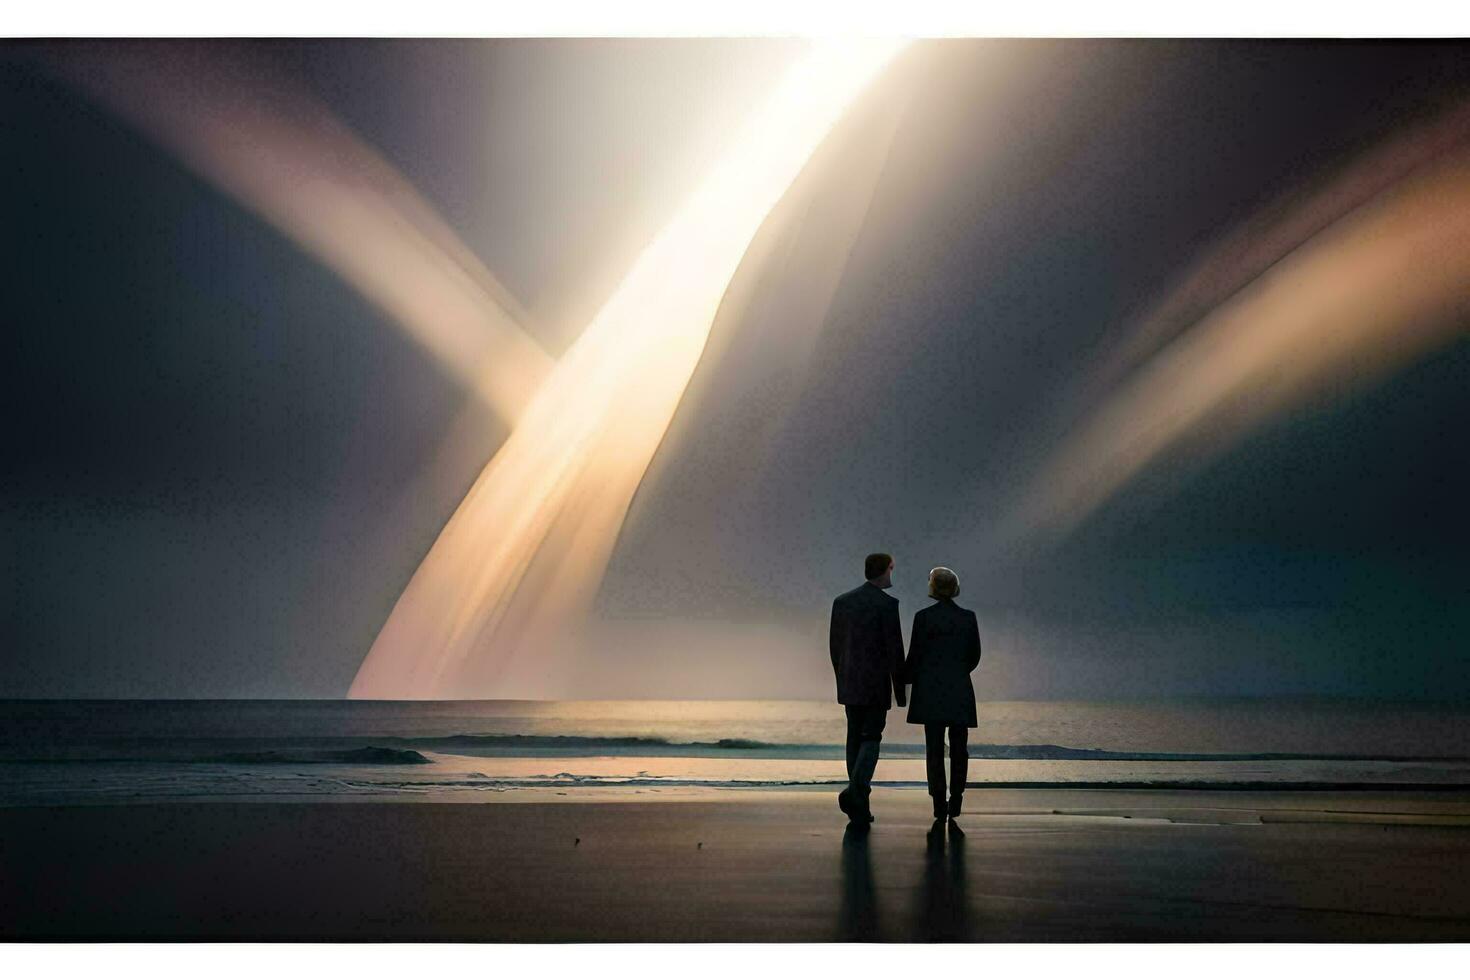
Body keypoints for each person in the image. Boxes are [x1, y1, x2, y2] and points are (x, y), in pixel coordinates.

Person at [829, 552, 906, 825]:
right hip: (874, 683)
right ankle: (854, 793)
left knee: (854, 739)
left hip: (849, 681)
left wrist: (841, 677)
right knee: (872, 737)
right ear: (886, 570)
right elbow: (895, 650)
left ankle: (859, 805)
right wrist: (901, 690)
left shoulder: (842, 602)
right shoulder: (887, 605)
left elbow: (835, 648)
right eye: (891, 569)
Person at [903, 566, 982, 822]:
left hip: (930, 689)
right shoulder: (968, 617)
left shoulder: (923, 617)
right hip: (959, 687)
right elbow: (974, 656)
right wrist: (957, 671)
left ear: (933, 587)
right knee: (960, 747)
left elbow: (914, 656)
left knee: (934, 748)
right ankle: (956, 797)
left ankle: (938, 801)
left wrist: (905, 681)